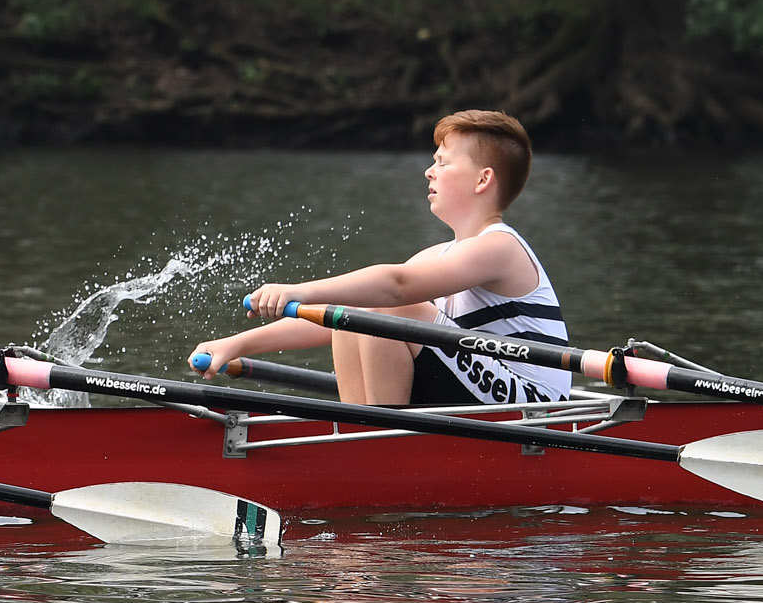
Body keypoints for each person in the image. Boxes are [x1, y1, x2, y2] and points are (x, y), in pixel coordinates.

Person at [191, 108, 571, 406]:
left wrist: (298, 291)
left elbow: (394, 289)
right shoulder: (440, 255)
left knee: (390, 309)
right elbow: (333, 317)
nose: (429, 171)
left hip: (538, 411)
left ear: (483, 180)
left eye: (442, 161)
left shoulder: (499, 246)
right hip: (490, 395)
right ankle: (365, 434)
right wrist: (236, 344)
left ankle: (379, 443)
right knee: (353, 314)